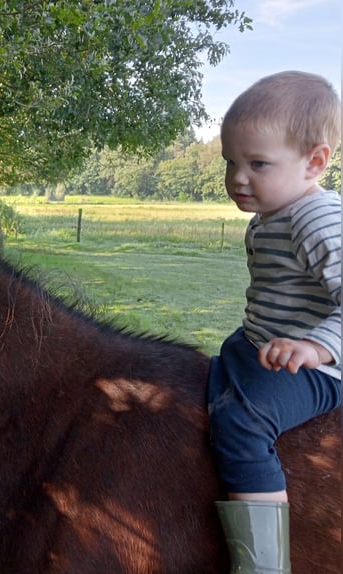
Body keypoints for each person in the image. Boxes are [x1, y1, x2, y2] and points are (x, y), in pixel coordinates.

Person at [208, 70, 341, 573]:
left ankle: (263, 564)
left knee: (242, 422)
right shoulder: (272, 211)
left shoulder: (316, 217)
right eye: (230, 163)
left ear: (315, 161)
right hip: (262, 343)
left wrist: (317, 347)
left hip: (317, 367)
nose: (237, 178)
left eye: (257, 163)